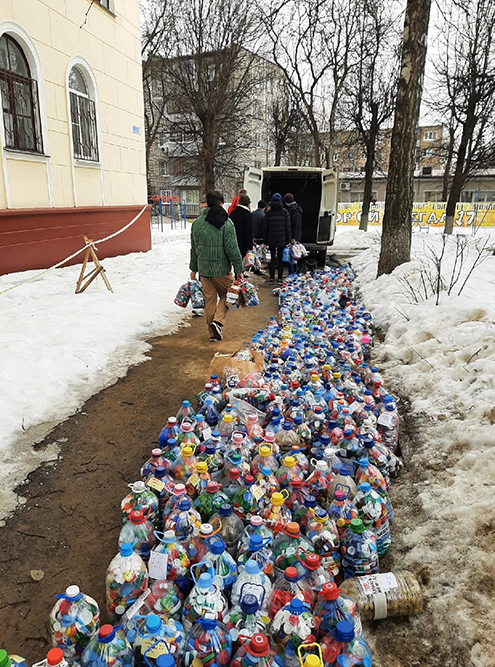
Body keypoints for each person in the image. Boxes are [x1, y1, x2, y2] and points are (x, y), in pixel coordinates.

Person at [190, 190, 244, 341]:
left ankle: (213, 333)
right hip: (222, 270)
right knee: (229, 294)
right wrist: (239, 269)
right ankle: (218, 321)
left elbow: (194, 249)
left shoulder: (197, 224)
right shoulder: (226, 222)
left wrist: (193, 268)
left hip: (204, 271)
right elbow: (232, 249)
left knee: (210, 300)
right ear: (220, 204)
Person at [262, 192, 291, 283]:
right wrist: (288, 240)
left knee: (272, 257)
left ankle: (271, 276)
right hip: (282, 240)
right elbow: (288, 227)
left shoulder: (268, 213)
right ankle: (279, 277)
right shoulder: (285, 212)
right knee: (280, 258)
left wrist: (265, 240)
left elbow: (265, 227)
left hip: (271, 239)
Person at [229, 193, 253, 259]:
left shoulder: (233, 213)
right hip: (243, 243)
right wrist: (250, 246)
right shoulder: (248, 215)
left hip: (233, 241)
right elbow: (249, 231)